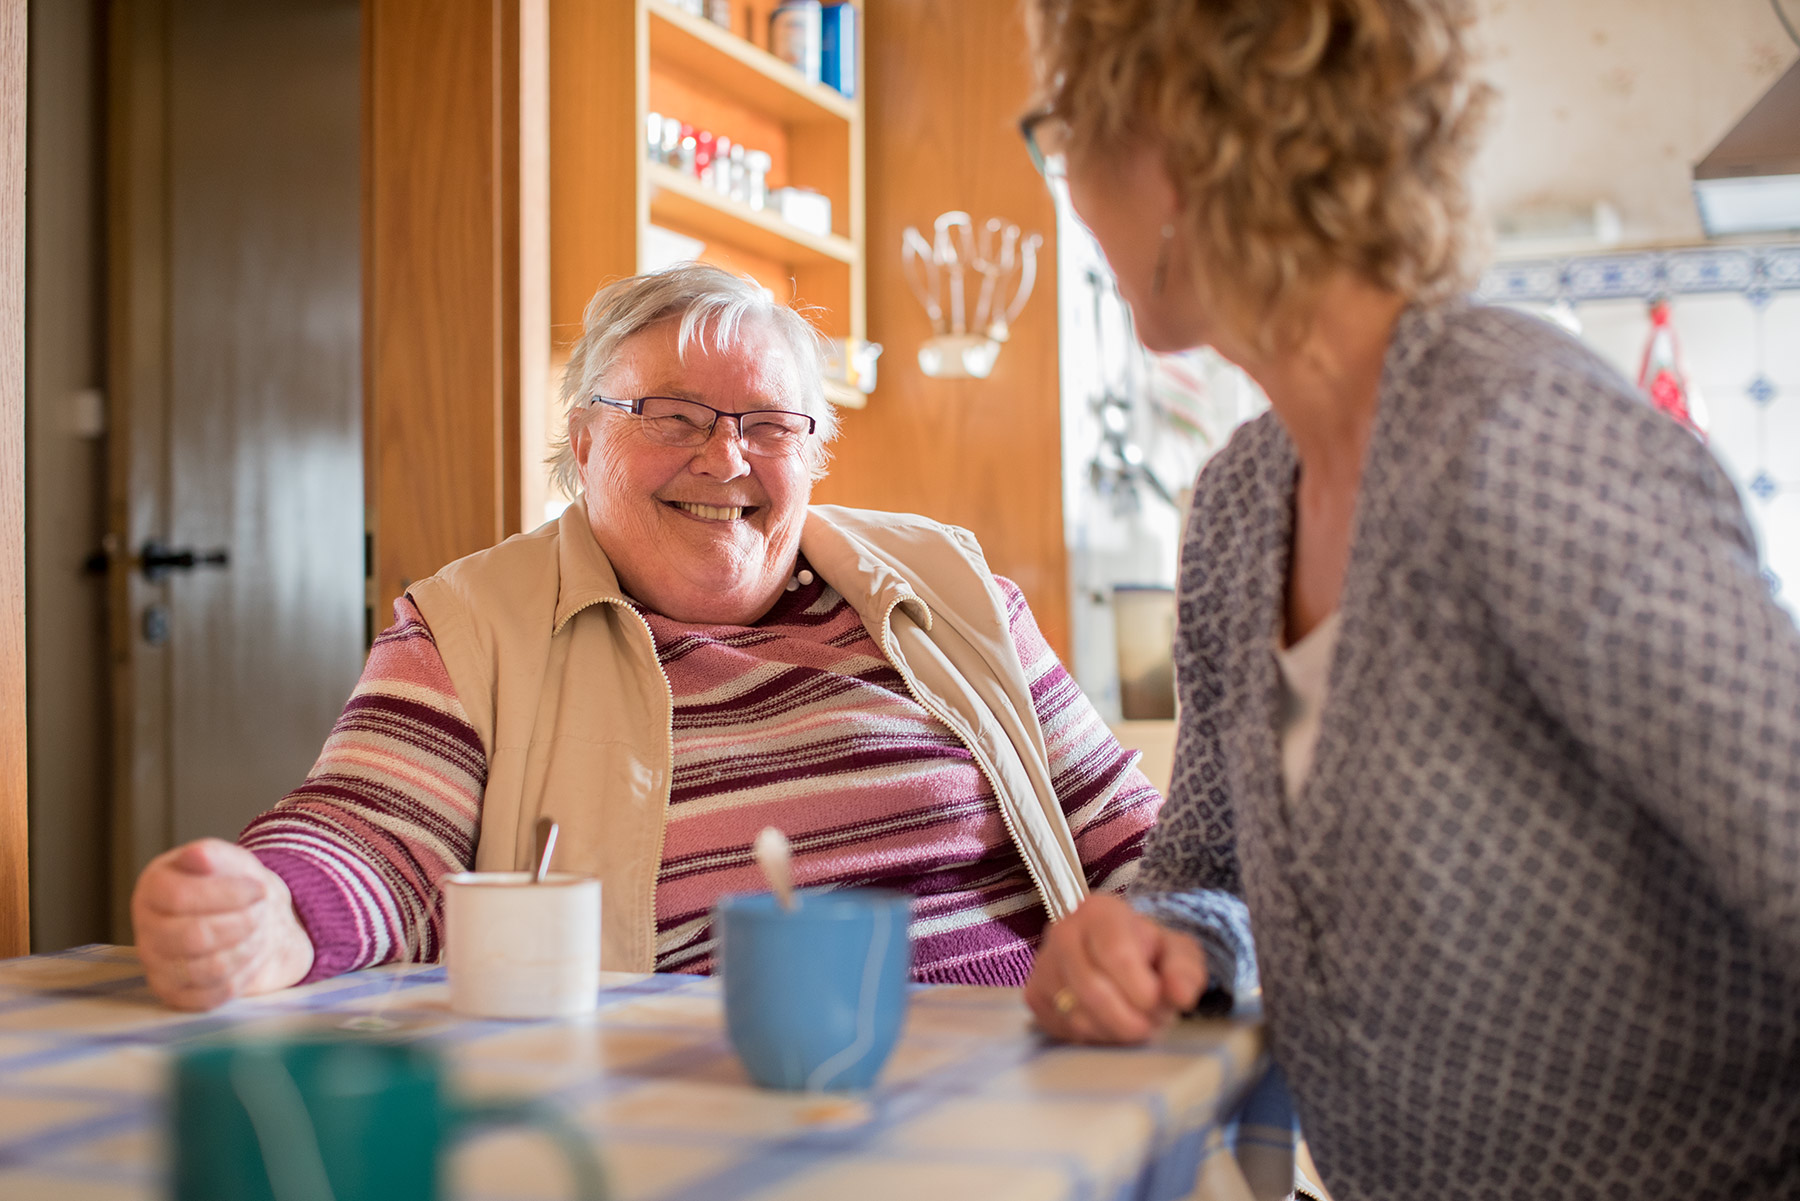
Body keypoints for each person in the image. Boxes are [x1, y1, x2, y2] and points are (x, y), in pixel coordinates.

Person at [1018, 1, 1800, 1198]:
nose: (1068, 192)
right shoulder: (1236, 507)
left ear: (1177, 147)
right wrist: (1155, 938)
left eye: (1067, 137)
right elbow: (1207, 870)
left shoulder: (1521, 438)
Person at [132, 263, 1162, 1011]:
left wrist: (1162, 948)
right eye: (671, 415)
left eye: (768, 423)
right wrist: (270, 910)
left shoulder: (951, 588)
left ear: (814, 454)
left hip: (1018, 1079)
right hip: (702, 1107)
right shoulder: (472, 625)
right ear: (585, 445)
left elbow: (1133, 841)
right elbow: (376, 837)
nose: (726, 458)